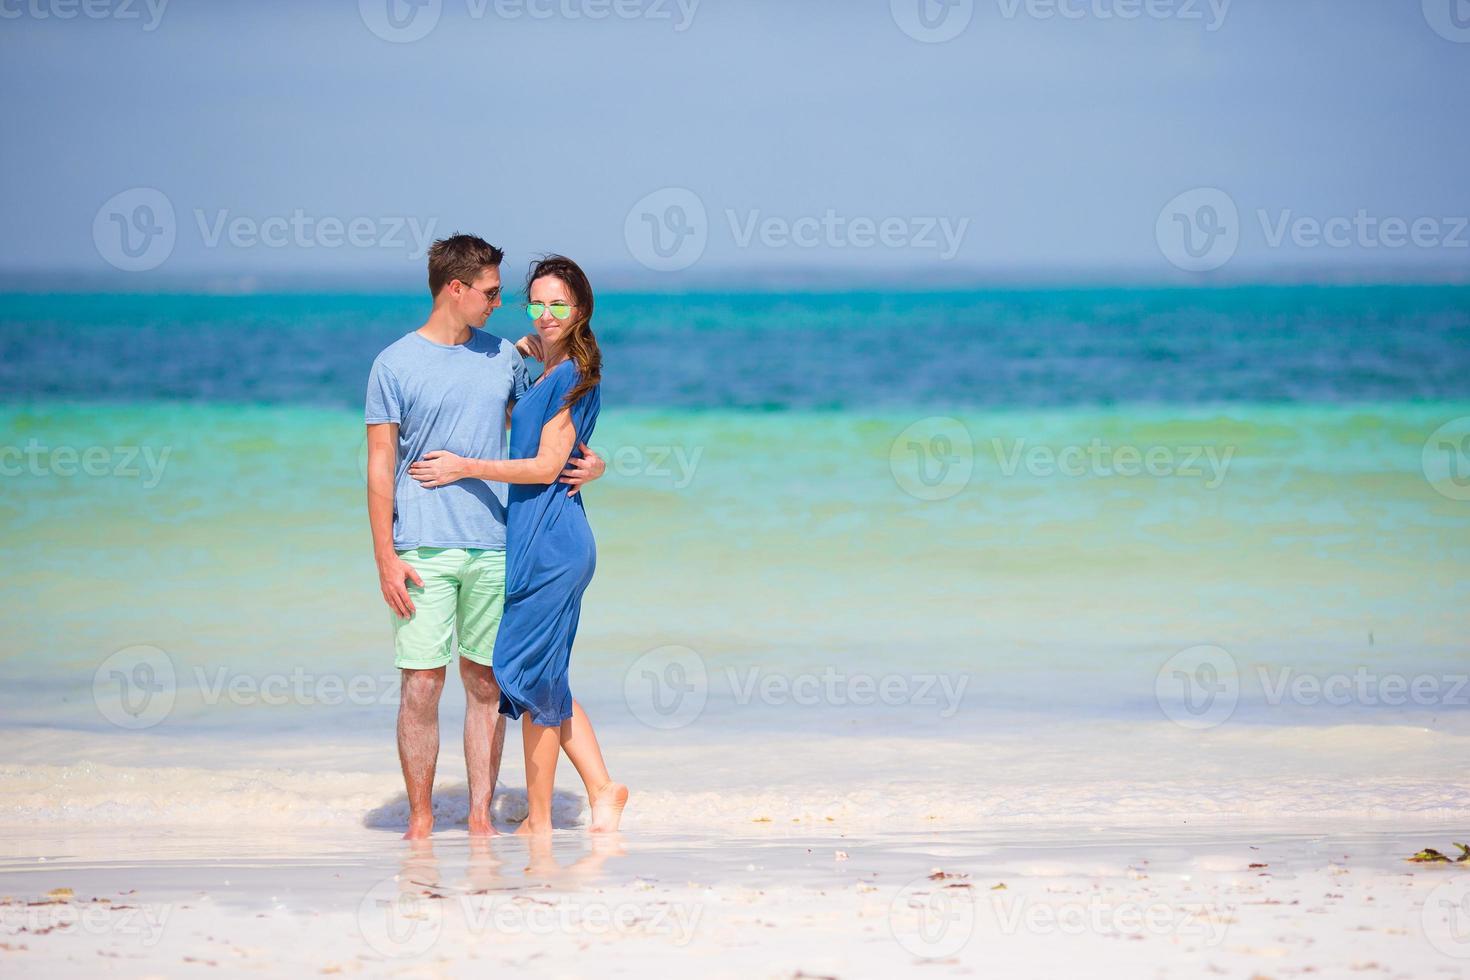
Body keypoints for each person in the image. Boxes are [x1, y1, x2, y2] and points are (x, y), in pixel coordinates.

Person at [365, 235, 606, 840]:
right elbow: (378, 463)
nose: (501, 303)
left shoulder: (504, 358)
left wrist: (594, 463)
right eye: (493, 293)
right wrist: (384, 556)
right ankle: (420, 820)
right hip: (420, 545)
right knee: (421, 680)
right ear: (457, 289)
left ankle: (479, 819)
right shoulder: (393, 364)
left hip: (497, 543)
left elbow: (542, 437)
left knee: (487, 683)